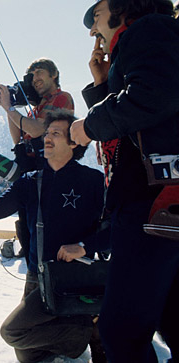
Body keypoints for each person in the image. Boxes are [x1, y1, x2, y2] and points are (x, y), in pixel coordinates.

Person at [71, 0, 179, 361]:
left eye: (96, 16)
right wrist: (104, 83)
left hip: (151, 201)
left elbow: (152, 98)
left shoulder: (149, 29)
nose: (92, 30)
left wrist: (87, 126)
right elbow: (136, 127)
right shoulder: (153, 39)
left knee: (120, 331)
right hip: (159, 199)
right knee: (172, 319)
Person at [0, 112, 108, 362]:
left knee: (12, 332)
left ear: (74, 143)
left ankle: (92, 334)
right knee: (27, 351)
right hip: (38, 279)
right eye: (47, 133)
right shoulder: (29, 181)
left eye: (56, 133)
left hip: (78, 279)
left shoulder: (93, 181)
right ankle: (83, 332)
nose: (47, 137)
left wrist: (83, 247)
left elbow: (116, 229)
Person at [0, 58, 75, 266]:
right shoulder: (34, 110)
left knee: (44, 229)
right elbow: (18, 138)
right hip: (30, 170)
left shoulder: (61, 98)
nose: (35, 79)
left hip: (48, 171)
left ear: (54, 74)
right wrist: (9, 108)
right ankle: (33, 283)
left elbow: (38, 129)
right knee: (29, 230)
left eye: (39, 73)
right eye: (31, 76)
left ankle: (43, 285)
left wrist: (12, 110)